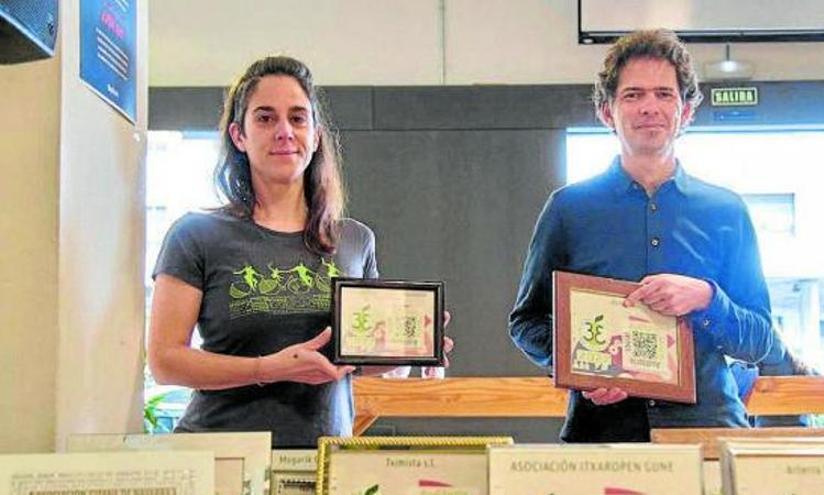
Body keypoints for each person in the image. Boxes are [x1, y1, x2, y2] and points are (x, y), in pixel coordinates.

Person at [148, 56, 451, 448]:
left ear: (316, 135)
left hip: (325, 462)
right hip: (221, 459)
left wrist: (413, 348)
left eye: (297, 118)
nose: (284, 132)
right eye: (265, 118)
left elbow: (352, 359)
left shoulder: (355, 240)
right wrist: (267, 368)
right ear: (239, 136)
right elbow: (165, 361)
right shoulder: (195, 235)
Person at [508, 29, 778, 442]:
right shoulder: (568, 209)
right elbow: (527, 322)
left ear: (686, 111)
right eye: (633, 95)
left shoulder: (726, 210)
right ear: (607, 112)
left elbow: (759, 339)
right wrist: (581, 371)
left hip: (706, 430)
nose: (649, 107)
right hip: (601, 433)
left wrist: (707, 299)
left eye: (664, 94)